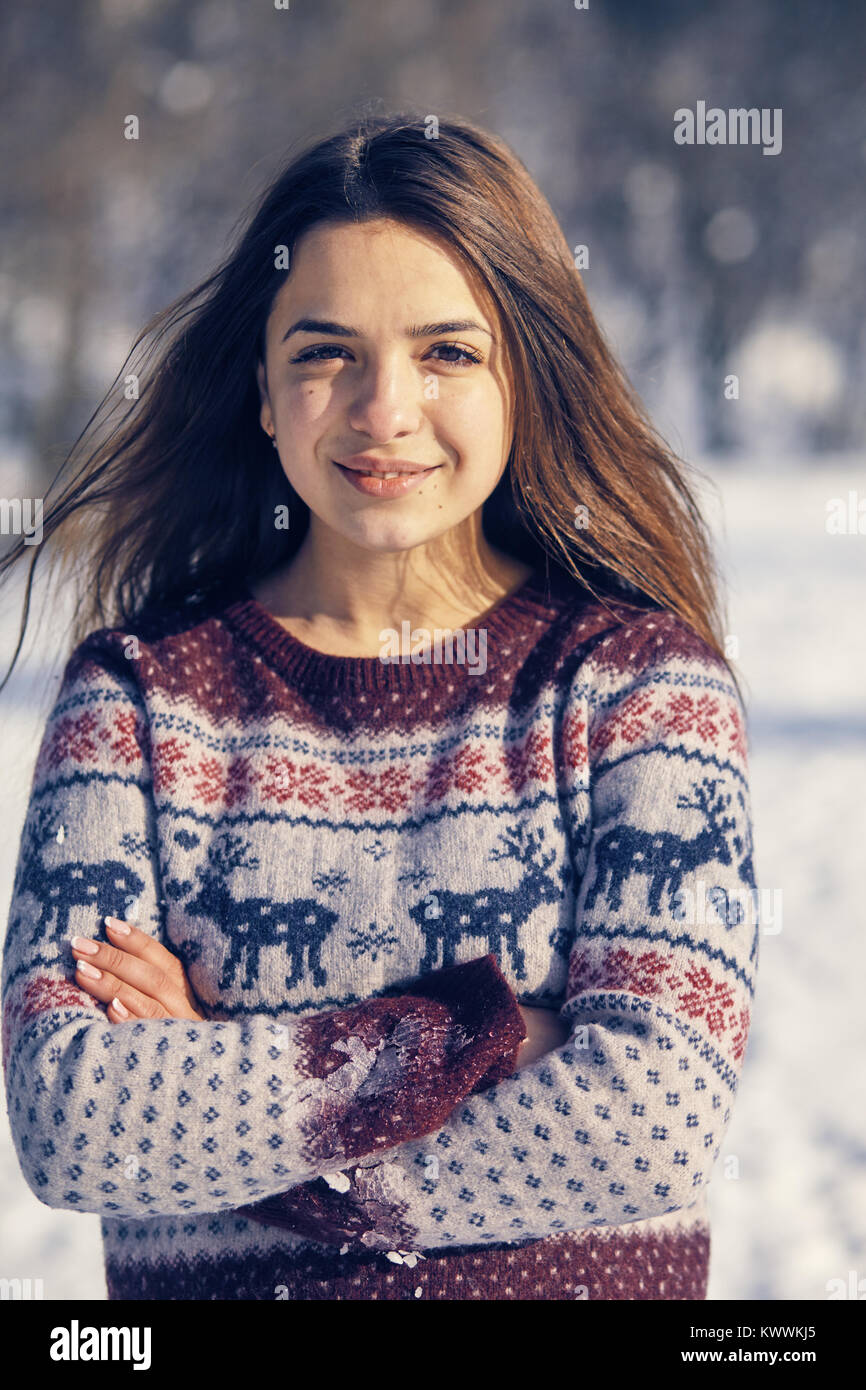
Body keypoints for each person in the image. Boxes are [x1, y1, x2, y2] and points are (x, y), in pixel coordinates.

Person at [0, 109, 758, 1301]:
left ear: (525, 374)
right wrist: (488, 1035)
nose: (384, 409)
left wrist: (217, 1075)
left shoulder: (637, 689)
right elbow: (73, 1120)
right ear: (261, 387)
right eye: (324, 352)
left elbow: (654, 1118)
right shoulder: (138, 700)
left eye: (446, 352)